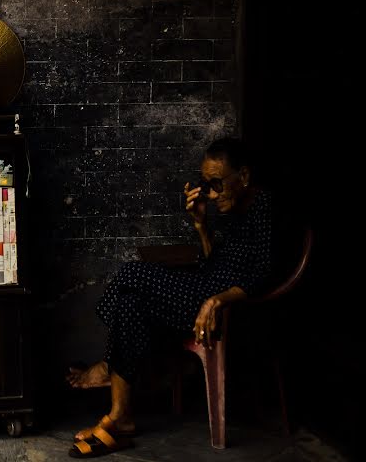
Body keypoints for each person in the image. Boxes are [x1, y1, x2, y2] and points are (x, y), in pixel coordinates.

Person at [65, 138, 274, 458]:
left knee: (133, 275)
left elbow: (263, 277)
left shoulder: (264, 209)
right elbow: (212, 263)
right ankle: (121, 418)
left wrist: (217, 300)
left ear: (244, 176)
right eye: (208, 184)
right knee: (130, 304)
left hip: (227, 307)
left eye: (218, 183)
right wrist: (201, 224)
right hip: (205, 288)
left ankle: (111, 364)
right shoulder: (231, 209)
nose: (213, 193)